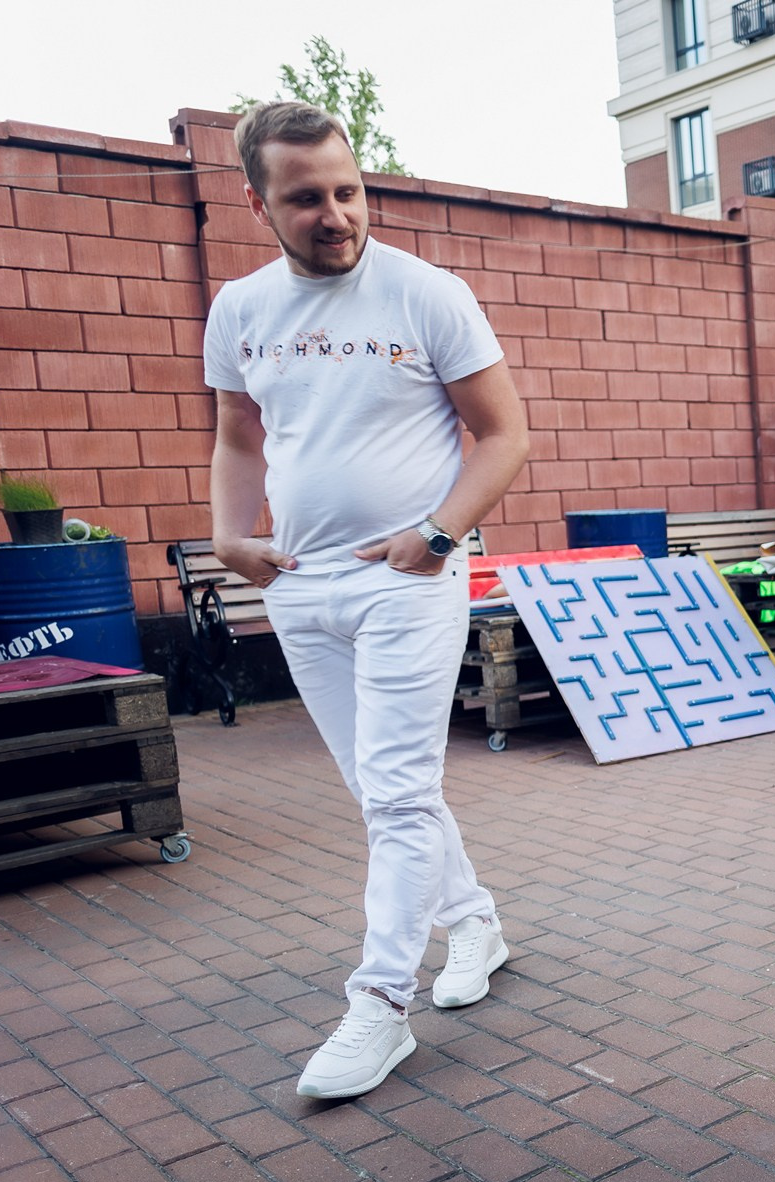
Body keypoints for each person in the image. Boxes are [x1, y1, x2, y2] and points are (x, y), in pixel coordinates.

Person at [202, 102, 531, 1100]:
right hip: (301, 589)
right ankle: (473, 921)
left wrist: (435, 537)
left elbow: (504, 434)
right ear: (259, 201)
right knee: (384, 791)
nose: (335, 214)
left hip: (408, 580)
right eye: (306, 199)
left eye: (347, 191)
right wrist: (228, 535)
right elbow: (240, 437)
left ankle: (379, 1004)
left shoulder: (427, 294)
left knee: (393, 792)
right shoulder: (241, 309)